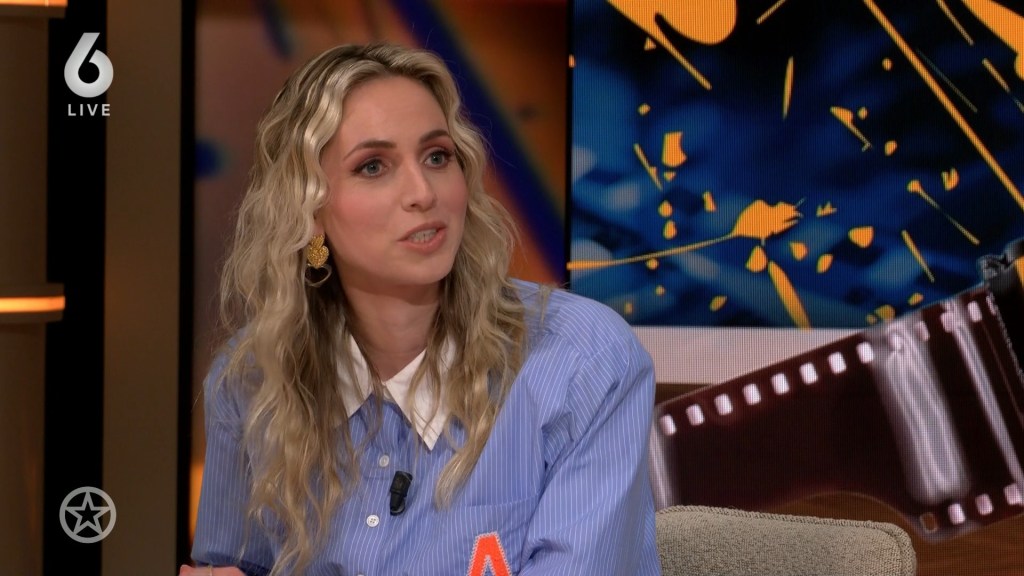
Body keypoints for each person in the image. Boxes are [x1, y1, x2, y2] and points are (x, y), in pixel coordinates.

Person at [180, 42, 660, 576]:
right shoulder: (252, 380)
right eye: (373, 166)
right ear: (309, 212)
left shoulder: (583, 362)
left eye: (437, 156)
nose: (422, 192)